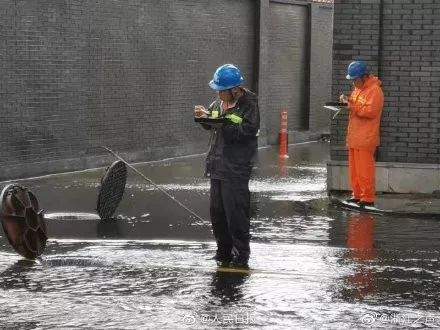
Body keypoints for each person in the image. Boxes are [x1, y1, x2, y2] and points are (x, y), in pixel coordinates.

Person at [194, 64, 260, 268]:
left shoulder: (249, 105)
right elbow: (214, 122)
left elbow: (247, 131)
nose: (218, 94)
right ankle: (223, 251)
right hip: (217, 165)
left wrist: (225, 125)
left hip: (236, 167)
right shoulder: (218, 103)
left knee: (236, 213)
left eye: (221, 90)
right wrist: (205, 117)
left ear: (234, 89)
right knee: (217, 213)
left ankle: (241, 255)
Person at [340, 60, 384, 207]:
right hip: (355, 137)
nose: (353, 83)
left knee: (365, 170)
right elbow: (354, 104)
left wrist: (352, 107)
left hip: (366, 137)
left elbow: (371, 112)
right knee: (355, 170)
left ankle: (368, 198)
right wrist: (346, 100)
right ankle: (357, 194)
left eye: (355, 80)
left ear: (363, 77)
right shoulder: (358, 90)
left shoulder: (375, 91)